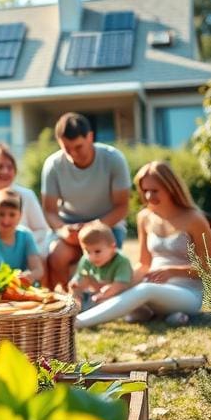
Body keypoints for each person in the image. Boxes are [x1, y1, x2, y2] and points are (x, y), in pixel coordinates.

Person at [77, 160, 211, 328]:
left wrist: (171, 271)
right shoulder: (144, 217)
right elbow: (144, 264)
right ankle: (168, 315)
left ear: (171, 187)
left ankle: (78, 322)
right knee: (131, 300)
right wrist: (119, 286)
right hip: (152, 287)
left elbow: (209, 268)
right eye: (145, 191)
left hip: (188, 294)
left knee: (145, 291)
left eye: (155, 190)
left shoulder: (194, 219)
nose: (149, 196)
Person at [42, 112, 130, 288]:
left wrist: (92, 228)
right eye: (67, 149)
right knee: (56, 255)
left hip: (107, 225)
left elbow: (122, 207)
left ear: (90, 137)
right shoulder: (53, 164)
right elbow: (49, 211)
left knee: (103, 258)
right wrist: (63, 230)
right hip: (69, 227)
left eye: (78, 147)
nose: (73, 154)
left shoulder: (114, 159)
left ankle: (103, 302)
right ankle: (67, 304)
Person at [0, 188, 44, 281]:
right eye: (1, 214)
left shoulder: (26, 236)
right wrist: (4, 278)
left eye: (12, 215)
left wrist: (27, 276)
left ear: (20, 215)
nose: (6, 220)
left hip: (18, 287)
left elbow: (38, 270)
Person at [68, 222, 133, 308]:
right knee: (74, 291)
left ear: (112, 247)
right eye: (88, 252)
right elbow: (81, 278)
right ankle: (76, 307)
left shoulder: (121, 260)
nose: (92, 257)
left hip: (120, 295)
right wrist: (76, 284)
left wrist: (104, 294)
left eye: (97, 251)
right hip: (96, 293)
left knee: (106, 302)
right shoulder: (86, 259)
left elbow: (121, 285)